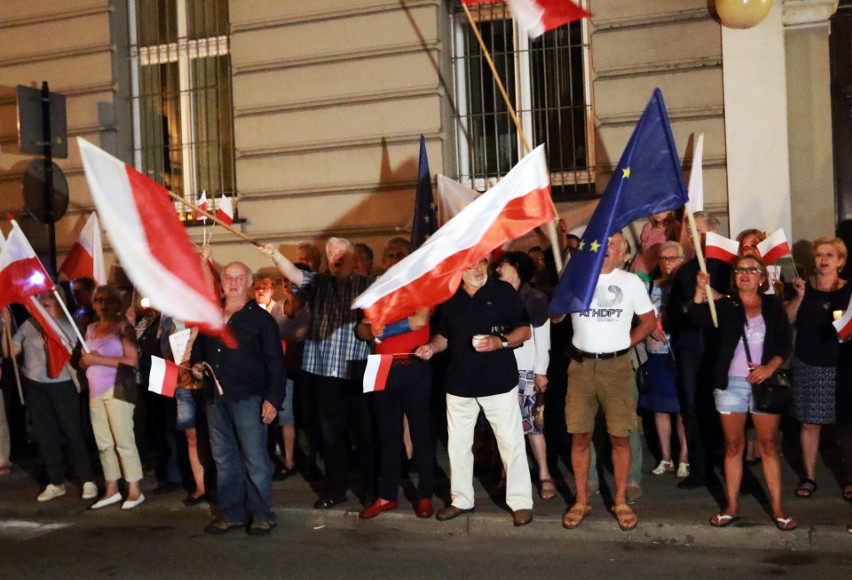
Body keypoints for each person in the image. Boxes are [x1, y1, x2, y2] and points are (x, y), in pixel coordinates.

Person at [414, 256, 534, 526]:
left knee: (510, 443)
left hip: (498, 381)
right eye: (470, 265)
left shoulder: (502, 291)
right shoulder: (448, 294)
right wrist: (432, 348)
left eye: (481, 262)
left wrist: (500, 341)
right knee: (458, 445)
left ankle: (521, 502)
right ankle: (461, 499)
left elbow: (525, 330)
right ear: (458, 268)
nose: (478, 269)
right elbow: (443, 336)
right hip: (459, 383)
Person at [260, 238, 376, 509]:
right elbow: (294, 274)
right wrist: (276, 254)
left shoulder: (367, 284)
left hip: (355, 368)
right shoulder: (318, 283)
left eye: (341, 253)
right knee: (330, 436)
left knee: (363, 434)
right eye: (331, 253)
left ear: (353, 257)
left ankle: (370, 490)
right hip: (322, 370)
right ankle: (335, 490)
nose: (336, 257)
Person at [692, 254, 796, 531]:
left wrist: (769, 368)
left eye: (752, 270)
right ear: (734, 277)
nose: (745, 274)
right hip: (730, 385)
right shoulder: (727, 304)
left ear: (762, 278)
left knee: (768, 446)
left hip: (764, 383)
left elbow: (785, 343)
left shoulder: (772, 305)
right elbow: (698, 317)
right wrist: (700, 291)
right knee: (733, 446)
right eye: (740, 270)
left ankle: (777, 508)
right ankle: (732, 507)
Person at [562, 232, 656, 531]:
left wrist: (626, 344)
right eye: (601, 243)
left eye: (611, 244)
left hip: (616, 367)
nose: (604, 248)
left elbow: (649, 321)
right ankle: (581, 500)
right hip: (580, 366)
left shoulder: (630, 282)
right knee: (579, 435)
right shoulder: (578, 276)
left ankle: (620, 500)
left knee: (620, 436)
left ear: (624, 254)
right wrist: (560, 298)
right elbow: (554, 318)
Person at [191, 261, 286, 536]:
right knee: (224, 459)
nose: (233, 283)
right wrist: (197, 364)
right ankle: (231, 514)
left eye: (239, 278)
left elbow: (275, 363)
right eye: (228, 278)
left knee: (255, 458)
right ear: (222, 283)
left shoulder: (260, 319)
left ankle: (261, 515)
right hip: (215, 400)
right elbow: (199, 348)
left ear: (248, 284)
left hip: (249, 398)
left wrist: (272, 399)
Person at [1, 290, 96, 501]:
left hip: (62, 384)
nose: (44, 301)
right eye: (41, 297)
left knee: (72, 431)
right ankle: (55, 481)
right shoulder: (29, 324)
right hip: (35, 385)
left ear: (60, 300)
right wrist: (7, 326)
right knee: (45, 434)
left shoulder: (70, 324)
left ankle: (87, 479)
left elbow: (78, 352)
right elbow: (10, 352)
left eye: (50, 297)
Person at [667, 211, 731, 490]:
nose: (694, 235)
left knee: (726, 407)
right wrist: (689, 306)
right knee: (693, 407)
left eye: (700, 230)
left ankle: (729, 466)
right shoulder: (685, 270)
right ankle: (700, 467)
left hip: (721, 346)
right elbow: (673, 315)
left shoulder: (730, 267)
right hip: (691, 347)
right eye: (691, 231)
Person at [785, 236, 851, 500]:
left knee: (845, 426)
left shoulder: (849, 290)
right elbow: (786, 319)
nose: (823, 260)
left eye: (829, 255)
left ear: (841, 261)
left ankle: (848, 479)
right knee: (810, 423)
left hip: (843, 365)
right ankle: (810, 477)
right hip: (809, 362)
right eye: (819, 255)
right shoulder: (802, 287)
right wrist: (799, 297)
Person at [496, 252, 555, 500]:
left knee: (532, 425)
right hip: (501, 370)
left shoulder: (534, 298)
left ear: (516, 268)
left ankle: (544, 475)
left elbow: (543, 339)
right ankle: (508, 475)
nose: (498, 269)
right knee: (504, 427)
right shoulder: (497, 295)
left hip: (526, 370)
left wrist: (540, 372)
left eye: (503, 265)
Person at [80, 285, 145, 510]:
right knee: (104, 443)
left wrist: (99, 360)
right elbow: (85, 359)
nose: (102, 304)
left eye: (108, 299)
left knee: (123, 441)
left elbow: (132, 360)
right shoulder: (89, 328)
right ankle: (111, 488)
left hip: (117, 388)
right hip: (95, 390)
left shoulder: (123, 327)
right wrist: (85, 361)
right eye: (98, 299)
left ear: (117, 304)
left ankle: (135, 490)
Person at [638, 241, 689, 479]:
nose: (667, 263)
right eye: (663, 258)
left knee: (681, 409)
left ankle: (684, 459)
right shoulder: (649, 286)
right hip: (656, 352)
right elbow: (638, 316)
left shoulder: (685, 284)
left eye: (672, 258)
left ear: (682, 259)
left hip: (679, 351)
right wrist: (648, 328)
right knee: (660, 408)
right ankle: (666, 457)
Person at [630, 210, 680, 283]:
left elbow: (678, 247)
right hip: (640, 268)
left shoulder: (673, 226)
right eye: (654, 210)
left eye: (661, 210)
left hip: (657, 270)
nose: (657, 213)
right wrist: (631, 269)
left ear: (669, 210)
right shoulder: (648, 227)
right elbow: (641, 251)